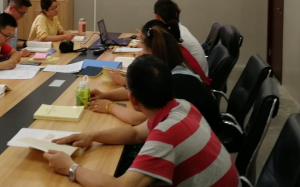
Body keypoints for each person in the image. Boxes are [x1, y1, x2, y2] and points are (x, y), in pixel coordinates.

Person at [44, 55, 240, 187]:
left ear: (133, 100)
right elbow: (135, 133)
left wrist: (70, 168)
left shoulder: (166, 135)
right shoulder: (182, 106)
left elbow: (120, 186)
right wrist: (92, 136)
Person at [90, 23, 221, 133]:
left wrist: (110, 107)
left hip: (202, 136)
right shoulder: (170, 68)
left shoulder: (175, 82)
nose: (141, 56)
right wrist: (105, 95)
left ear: (153, 55)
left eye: (143, 53)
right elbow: (139, 90)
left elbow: (139, 119)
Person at [154, 0, 209, 76]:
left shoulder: (175, 35)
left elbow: (160, 57)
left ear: (157, 17)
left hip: (196, 78)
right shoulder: (178, 29)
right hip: (196, 74)